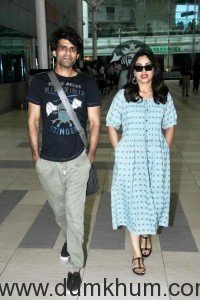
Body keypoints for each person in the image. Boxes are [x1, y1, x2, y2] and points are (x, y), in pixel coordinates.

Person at [27, 26, 101, 294]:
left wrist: (90, 156)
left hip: (78, 159)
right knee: (60, 212)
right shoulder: (39, 82)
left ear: (77, 53)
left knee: (75, 215)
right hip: (47, 160)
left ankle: (74, 268)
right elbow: (33, 120)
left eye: (72, 48)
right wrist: (36, 156)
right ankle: (70, 239)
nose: (67, 52)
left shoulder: (87, 83)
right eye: (63, 47)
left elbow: (94, 122)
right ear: (54, 51)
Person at [106, 48, 177, 275]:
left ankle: (146, 233)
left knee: (154, 201)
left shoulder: (163, 95)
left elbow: (171, 123)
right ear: (133, 71)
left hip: (156, 159)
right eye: (139, 67)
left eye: (148, 66)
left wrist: (164, 149)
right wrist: (120, 150)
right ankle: (136, 253)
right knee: (134, 204)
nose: (143, 71)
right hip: (130, 159)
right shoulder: (123, 96)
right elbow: (111, 124)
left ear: (154, 69)